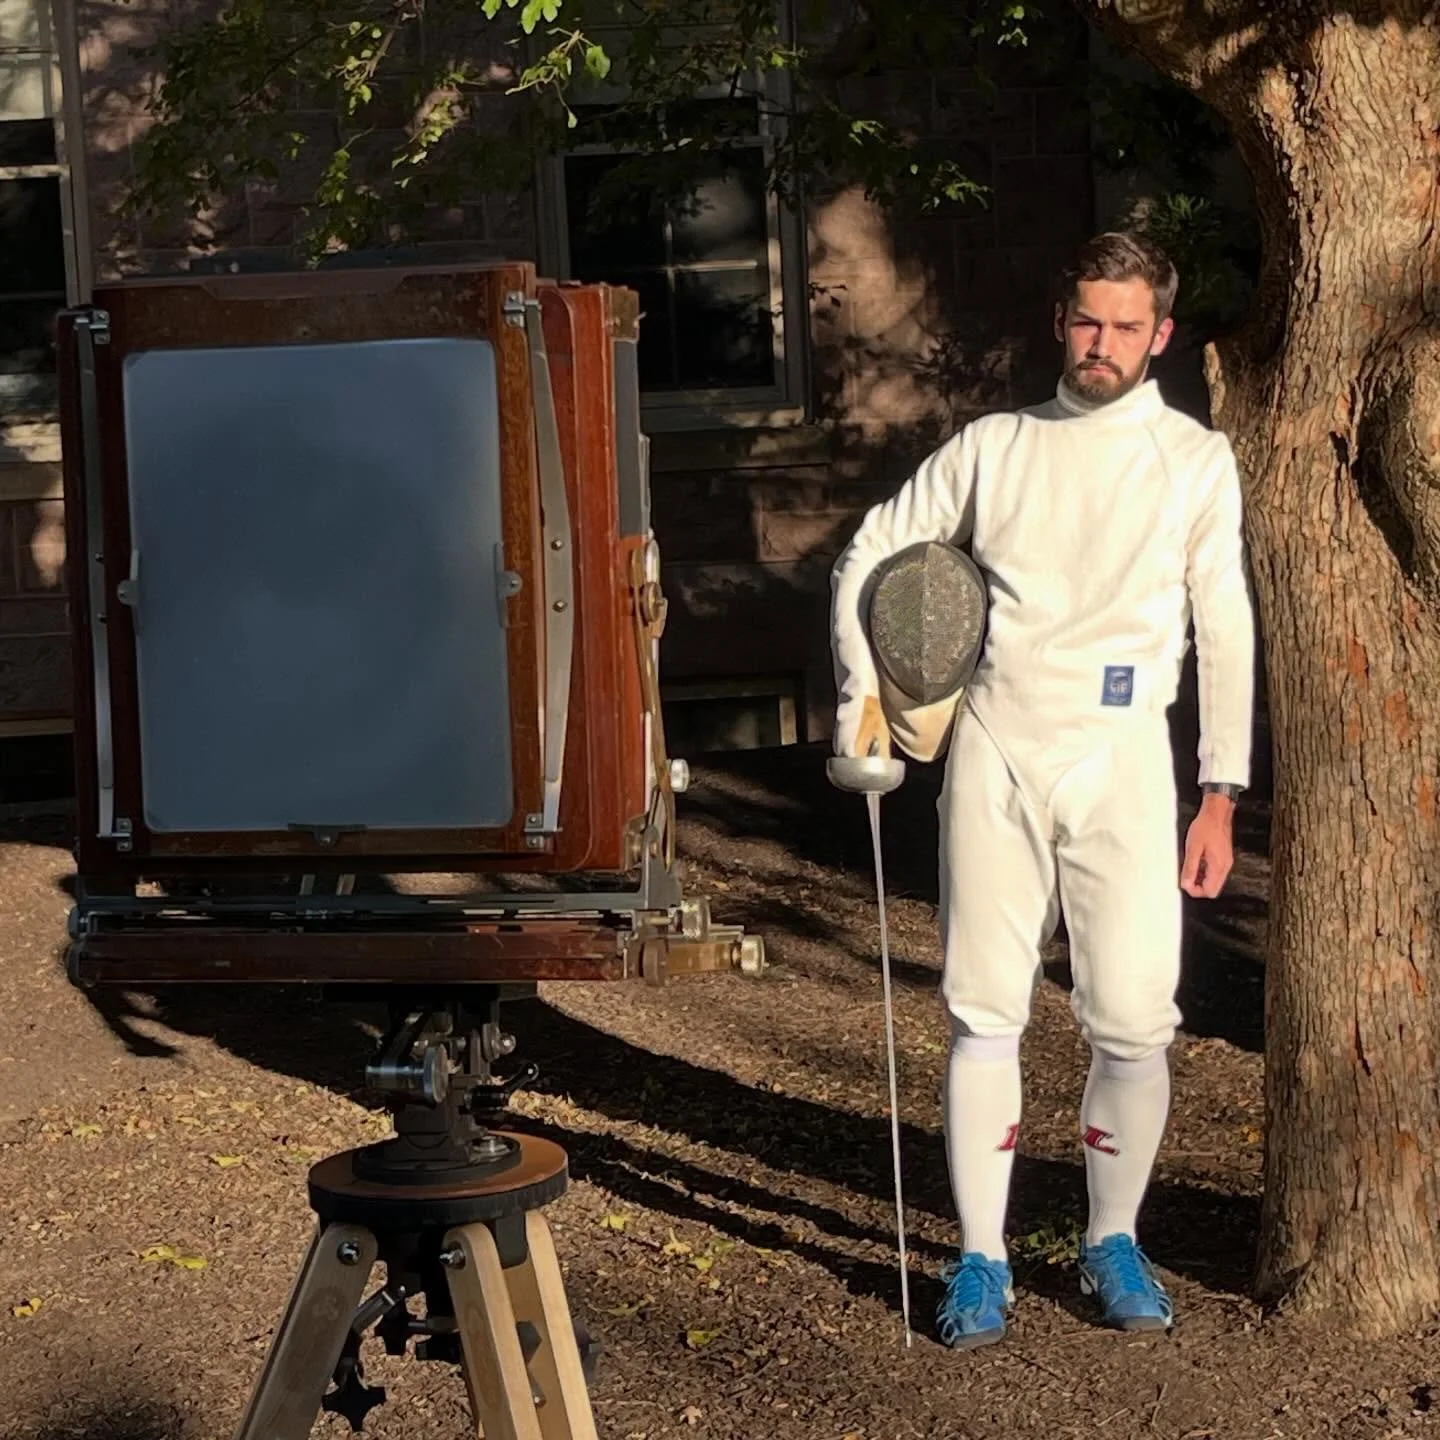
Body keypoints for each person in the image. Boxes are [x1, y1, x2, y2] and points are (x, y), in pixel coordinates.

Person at [829, 231, 1255, 1348]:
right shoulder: (995, 448)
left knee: (1134, 1023)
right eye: (1085, 321)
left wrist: (1222, 791)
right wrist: (861, 701)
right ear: (1059, 321)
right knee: (982, 1014)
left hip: (1122, 757)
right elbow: (874, 552)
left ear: (1160, 335)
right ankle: (982, 1257)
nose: (1100, 345)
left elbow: (1226, 623)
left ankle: (1114, 1238)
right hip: (997, 748)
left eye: (1124, 327)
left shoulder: (1193, 461)